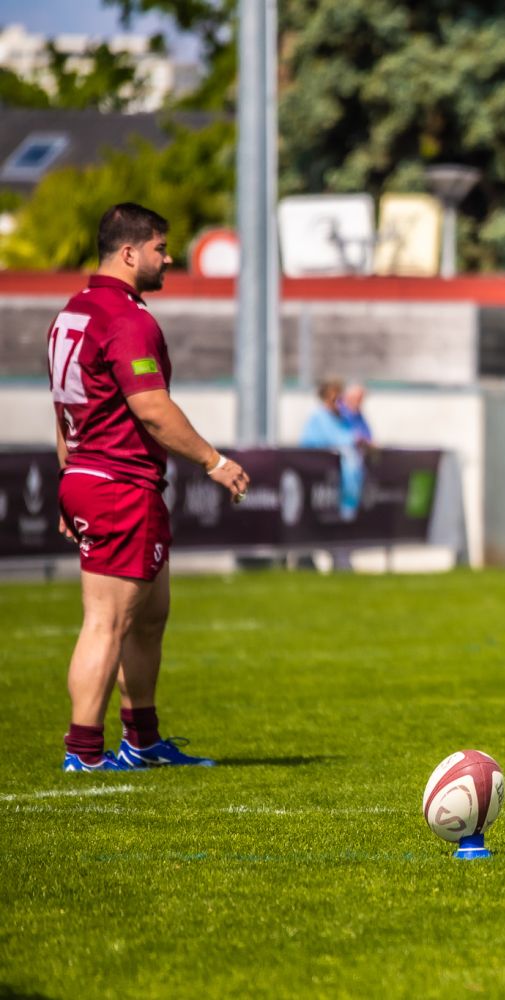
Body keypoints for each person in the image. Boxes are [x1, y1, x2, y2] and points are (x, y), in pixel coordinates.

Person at [48, 203, 250, 772]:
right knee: (107, 623)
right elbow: (152, 409)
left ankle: (142, 741)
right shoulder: (125, 317)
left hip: (103, 478)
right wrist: (213, 460)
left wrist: (68, 476)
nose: (169, 258)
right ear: (129, 252)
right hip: (116, 483)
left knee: (150, 615)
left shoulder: (75, 311)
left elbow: (65, 408)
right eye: (161, 248)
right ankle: (84, 752)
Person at [300, 378, 364, 520]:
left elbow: (351, 435)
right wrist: (355, 440)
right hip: (316, 459)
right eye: (335, 397)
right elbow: (335, 438)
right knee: (349, 459)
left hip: (332, 459)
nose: (339, 402)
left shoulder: (340, 417)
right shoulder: (319, 416)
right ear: (327, 397)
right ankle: (348, 508)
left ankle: (352, 507)